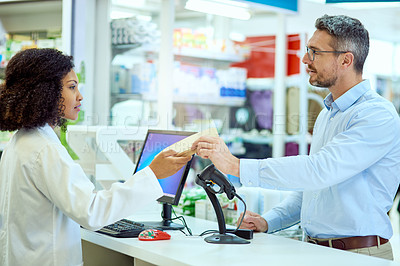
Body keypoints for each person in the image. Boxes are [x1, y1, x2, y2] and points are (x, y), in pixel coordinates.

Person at [192, 15, 400, 260]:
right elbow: (313, 189)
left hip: (358, 254)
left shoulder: (376, 114)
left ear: (346, 60)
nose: (305, 59)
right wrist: (268, 221)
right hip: (313, 249)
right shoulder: (327, 115)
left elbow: (320, 170)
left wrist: (236, 166)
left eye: (314, 52)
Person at [0, 48, 192, 266]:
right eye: (72, 87)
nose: (80, 96)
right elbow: (91, 212)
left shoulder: (19, 142)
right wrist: (154, 174)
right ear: (46, 92)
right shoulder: (44, 149)